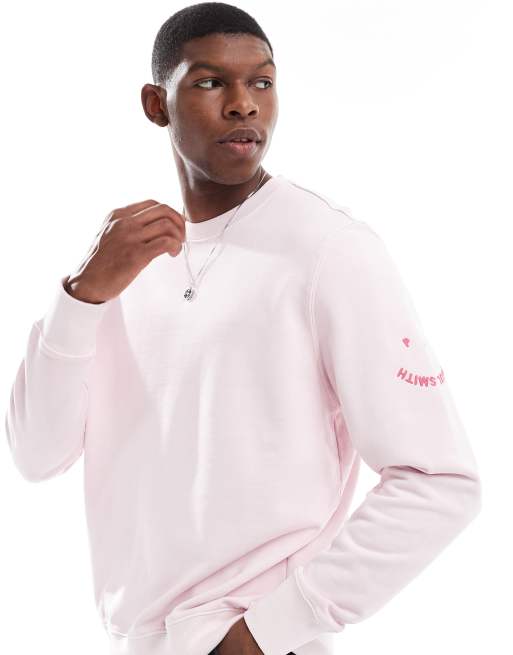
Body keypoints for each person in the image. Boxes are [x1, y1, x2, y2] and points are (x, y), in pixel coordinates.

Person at [4, 3, 482, 655]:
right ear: (155, 104)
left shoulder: (329, 249)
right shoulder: (123, 263)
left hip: (255, 637)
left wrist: (265, 631)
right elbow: (36, 455)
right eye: (209, 82)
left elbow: (438, 481)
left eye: (261, 81)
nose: (243, 104)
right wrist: (82, 295)